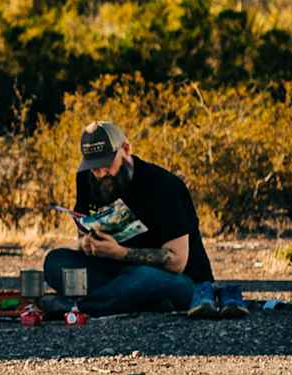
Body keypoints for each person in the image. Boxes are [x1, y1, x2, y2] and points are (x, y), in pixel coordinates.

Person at [43, 119, 236, 317]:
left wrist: (120, 253)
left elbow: (177, 261)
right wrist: (87, 244)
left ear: (126, 149)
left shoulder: (164, 185)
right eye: (94, 167)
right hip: (115, 272)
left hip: (176, 279)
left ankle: (79, 308)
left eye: (106, 164)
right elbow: (83, 232)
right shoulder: (86, 178)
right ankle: (128, 300)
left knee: (143, 277)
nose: (100, 173)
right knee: (55, 261)